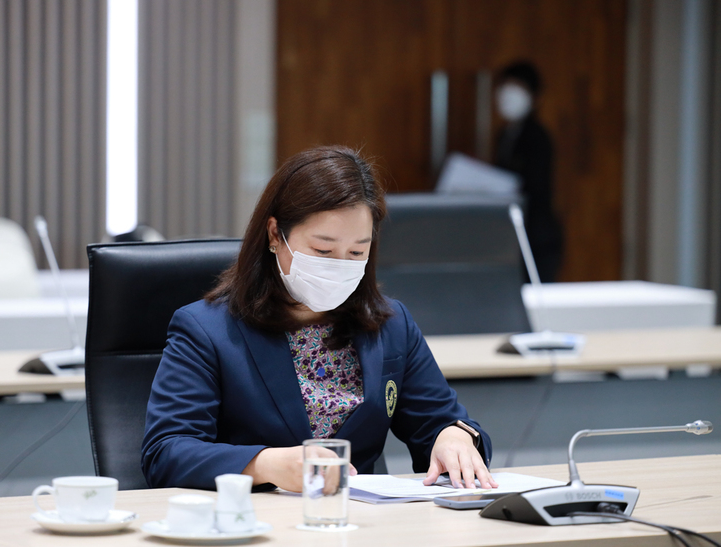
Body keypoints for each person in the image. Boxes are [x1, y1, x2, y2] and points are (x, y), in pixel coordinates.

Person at [142, 145, 497, 493]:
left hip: (359, 519)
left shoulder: (391, 324)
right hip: (255, 518)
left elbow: (440, 421)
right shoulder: (206, 329)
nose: (340, 265)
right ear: (274, 234)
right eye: (323, 250)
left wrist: (453, 436)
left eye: (356, 251)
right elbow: (166, 452)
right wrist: (265, 464)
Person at [494, 61, 564, 283]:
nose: (509, 93)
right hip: (512, 236)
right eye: (505, 85)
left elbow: (535, 186)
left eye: (518, 86)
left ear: (535, 97)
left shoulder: (537, 136)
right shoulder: (504, 135)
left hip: (536, 237)